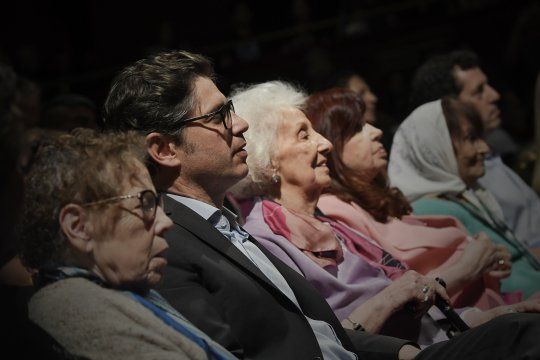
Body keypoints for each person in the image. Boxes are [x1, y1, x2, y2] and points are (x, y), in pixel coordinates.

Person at [103, 49, 540, 360]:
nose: (240, 124)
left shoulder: (224, 223)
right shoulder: (167, 245)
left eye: (230, 109)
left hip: (399, 347)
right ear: (164, 150)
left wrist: (402, 352)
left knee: (518, 331)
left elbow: (322, 330)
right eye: (218, 116)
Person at [232, 80, 540, 346]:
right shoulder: (267, 238)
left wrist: (501, 314)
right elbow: (331, 340)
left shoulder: (321, 221)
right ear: (267, 158)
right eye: (304, 135)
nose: (325, 144)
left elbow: (428, 317)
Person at [19, 129, 235, 360]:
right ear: (79, 227)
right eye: (145, 204)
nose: (165, 222)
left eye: (157, 202)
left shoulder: (120, 293)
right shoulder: (74, 309)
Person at [304, 87, 518, 310]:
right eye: (358, 128)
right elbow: (391, 296)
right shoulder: (334, 211)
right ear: (330, 144)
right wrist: (471, 265)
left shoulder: (376, 202)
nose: (376, 131)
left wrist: (486, 261)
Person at [388, 98, 540, 298]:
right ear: (435, 149)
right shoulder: (428, 210)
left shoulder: (462, 196)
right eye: (471, 138)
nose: (484, 148)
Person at [409, 50, 540, 248]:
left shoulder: (489, 151)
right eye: (479, 91)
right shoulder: (459, 176)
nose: (494, 95)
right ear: (450, 108)